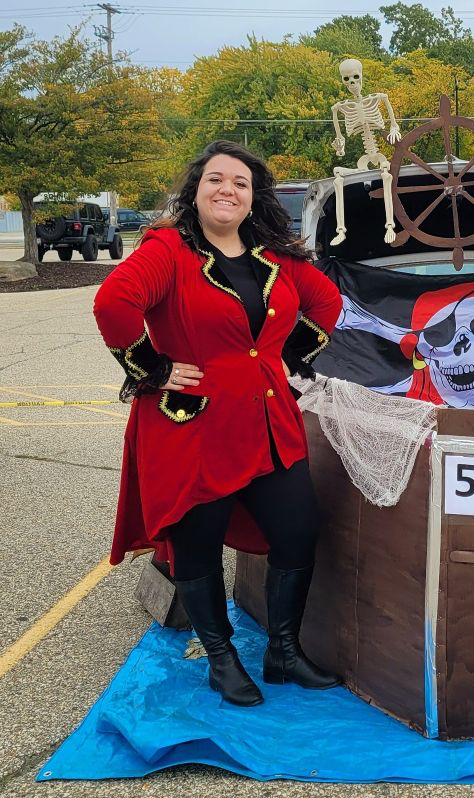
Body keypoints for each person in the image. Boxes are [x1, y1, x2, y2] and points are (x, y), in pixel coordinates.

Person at [94, 140, 343, 707]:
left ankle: (283, 650)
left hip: (268, 421)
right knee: (198, 546)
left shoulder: (276, 257)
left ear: (253, 198)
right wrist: (152, 369)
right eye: (215, 179)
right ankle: (222, 658)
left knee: (298, 530)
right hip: (193, 426)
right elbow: (114, 304)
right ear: (196, 189)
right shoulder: (168, 251)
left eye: (240, 183)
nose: (227, 190)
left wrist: (288, 354)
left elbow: (328, 304)